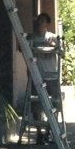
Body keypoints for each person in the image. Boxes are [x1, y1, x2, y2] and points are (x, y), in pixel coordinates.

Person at [28, 12, 63, 142]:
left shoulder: (52, 37)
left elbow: (62, 52)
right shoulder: (32, 38)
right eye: (38, 21)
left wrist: (54, 46)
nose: (40, 23)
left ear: (47, 24)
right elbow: (23, 48)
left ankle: (50, 130)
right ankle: (39, 133)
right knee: (36, 104)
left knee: (53, 102)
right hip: (37, 75)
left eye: (43, 21)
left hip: (51, 75)